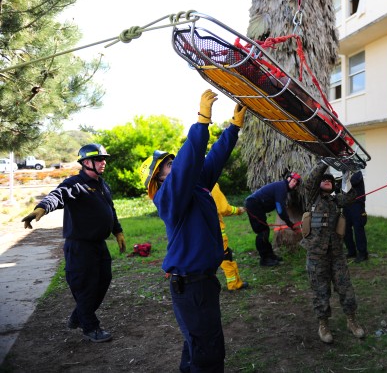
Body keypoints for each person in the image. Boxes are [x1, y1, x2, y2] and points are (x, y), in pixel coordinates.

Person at [139, 89, 245, 373]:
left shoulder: (194, 187)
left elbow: (212, 160)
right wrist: (201, 123)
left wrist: (232, 129)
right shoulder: (168, 198)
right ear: (157, 181)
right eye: (166, 166)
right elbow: (188, 163)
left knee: (197, 344)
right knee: (208, 353)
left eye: (171, 162)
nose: (173, 166)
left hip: (202, 283)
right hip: (191, 286)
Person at [21, 143, 126, 343]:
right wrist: (41, 208)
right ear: (86, 162)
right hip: (80, 247)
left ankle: (78, 316)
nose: (103, 163)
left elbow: (110, 209)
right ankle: (90, 327)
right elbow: (57, 195)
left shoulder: (102, 184)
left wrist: (118, 231)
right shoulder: (75, 184)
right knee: (86, 288)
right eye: (98, 159)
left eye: (104, 159)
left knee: (103, 281)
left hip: (99, 245)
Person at [300, 160, 365, 344]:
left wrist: (348, 175)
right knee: (320, 290)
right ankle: (323, 324)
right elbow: (311, 179)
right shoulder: (312, 197)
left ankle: (351, 320)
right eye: (324, 180)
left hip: (336, 253)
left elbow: (351, 195)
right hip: (316, 254)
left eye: (330, 180)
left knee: (345, 288)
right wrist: (324, 163)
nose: (327, 181)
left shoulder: (337, 200)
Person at [244, 171, 302, 266]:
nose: (294, 184)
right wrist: (290, 224)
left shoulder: (282, 187)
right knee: (262, 231)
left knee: (265, 230)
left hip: (256, 206)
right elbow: (280, 209)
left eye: (296, 183)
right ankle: (264, 260)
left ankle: (270, 255)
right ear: (288, 179)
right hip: (253, 204)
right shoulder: (282, 187)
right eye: (293, 181)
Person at [211, 183, 248, 291]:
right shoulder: (210, 184)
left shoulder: (189, 183)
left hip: (199, 232)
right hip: (215, 232)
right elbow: (223, 209)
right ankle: (233, 284)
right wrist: (238, 210)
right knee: (225, 256)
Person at [342, 170, 368, 262]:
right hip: (347, 206)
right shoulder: (344, 174)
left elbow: (352, 183)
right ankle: (351, 251)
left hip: (357, 206)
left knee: (358, 230)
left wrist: (343, 179)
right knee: (345, 230)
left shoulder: (358, 173)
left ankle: (363, 254)